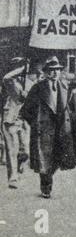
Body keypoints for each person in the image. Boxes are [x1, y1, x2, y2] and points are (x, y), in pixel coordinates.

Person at [21, 56, 76, 198]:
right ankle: (46, 186)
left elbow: (71, 108)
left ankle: (48, 178)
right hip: (44, 130)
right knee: (44, 159)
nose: (55, 73)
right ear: (46, 72)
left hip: (60, 130)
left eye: (57, 70)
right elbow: (26, 110)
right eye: (51, 70)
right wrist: (36, 123)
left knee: (57, 158)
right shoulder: (38, 88)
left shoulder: (65, 87)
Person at [2, 57, 34, 189]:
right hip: (11, 119)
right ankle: (13, 178)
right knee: (12, 150)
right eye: (17, 67)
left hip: (24, 120)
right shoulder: (10, 81)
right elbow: (6, 78)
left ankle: (20, 162)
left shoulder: (29, 83)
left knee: (26, 150)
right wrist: (22, 67)